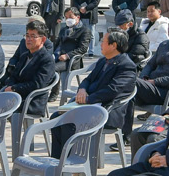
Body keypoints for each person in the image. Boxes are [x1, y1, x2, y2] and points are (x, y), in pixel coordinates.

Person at [55, 28, 139, 157]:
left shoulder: (127, 66)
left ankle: (72, 161)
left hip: (106, 110)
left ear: (113, 45)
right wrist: (82, 89)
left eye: (103, 41)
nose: (100, 44)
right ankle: (58, 160)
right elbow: (88, 80)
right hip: (91, 105)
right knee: (56, 117)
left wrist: (88, 99)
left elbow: (112, 90)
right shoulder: (103, 61)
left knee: (70, 123)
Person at [1, 19, 57, 114]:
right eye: (27, 36)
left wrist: (14, 88)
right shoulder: (25, 56)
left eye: (33, 36)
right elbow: (14, 75)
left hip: (31, 100)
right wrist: (10, 86)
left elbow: (37, 85)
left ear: (43, 39)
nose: (28, 39)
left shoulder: (47, 60)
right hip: (16, 96)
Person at [53, 6, 92, 77]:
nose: (68, 19)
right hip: (57, 56)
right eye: (66, 17)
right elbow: (57, 44)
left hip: (70, 60)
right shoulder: (63, 29)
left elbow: (83, 48)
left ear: (78, 17)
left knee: (52, 69)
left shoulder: (84, 30)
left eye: (70, 17)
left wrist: (67, 55)